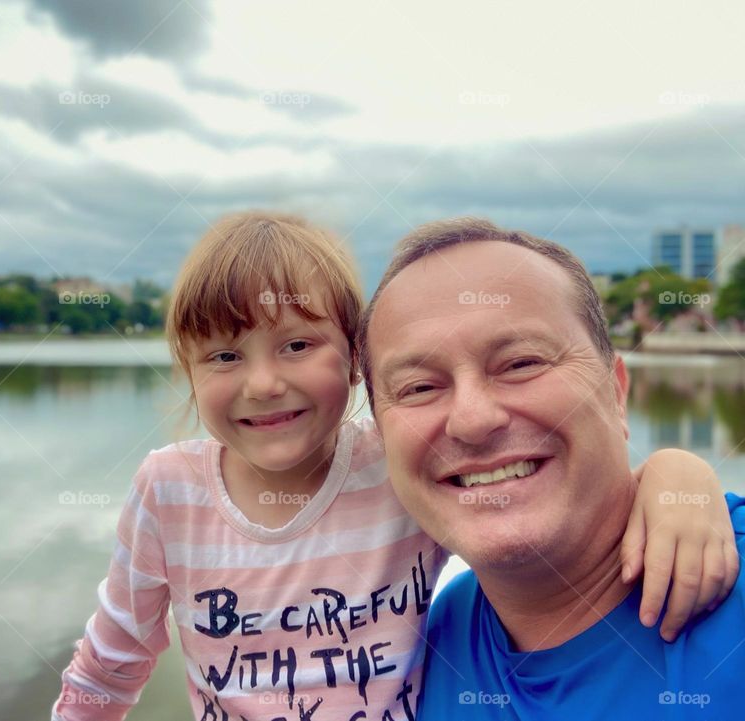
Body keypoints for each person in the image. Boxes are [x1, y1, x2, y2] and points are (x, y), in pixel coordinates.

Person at [52, 212, 737, 721]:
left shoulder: (385, 467)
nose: (263, 383)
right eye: (225, 356)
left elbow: (553, 479)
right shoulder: (170, 490)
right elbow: (108, 666)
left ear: (351, 365)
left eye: (522, 362)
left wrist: (678, 475)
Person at [356, 217, 743, 719]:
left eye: (521, 363)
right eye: (419, 388)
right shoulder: (415, 646)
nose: (473, 420)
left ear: (616, 393)